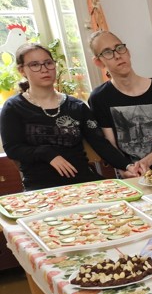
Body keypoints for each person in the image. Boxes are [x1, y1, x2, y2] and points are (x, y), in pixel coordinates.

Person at [0, 42, 132, 190]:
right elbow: (13, 148)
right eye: (35, 65)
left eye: (48, 63)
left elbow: (100, 143)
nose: (44, 69)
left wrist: (127, 166)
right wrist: (47, 154)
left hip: (84, 183)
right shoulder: (13, 107)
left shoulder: (77, 106)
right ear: (21, 70)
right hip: (41, 188)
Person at [87, 30, 152, 175]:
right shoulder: (99, 97)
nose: (117, 55)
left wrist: (144, 163)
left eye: (119, 48)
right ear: (98, 62)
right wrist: (125, 168)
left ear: (128, 52)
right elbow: (110, 144)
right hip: (131, 174)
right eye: (107, 52)